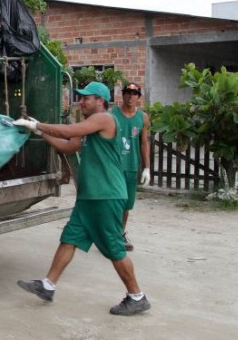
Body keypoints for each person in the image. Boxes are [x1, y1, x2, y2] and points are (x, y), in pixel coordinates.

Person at [12, 81, 151, 316]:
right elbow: (69, 146)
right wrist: (40, 132)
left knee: (114, 248)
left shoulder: (104, 119)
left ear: (100, 101)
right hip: (89, 196)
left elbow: (68, 131)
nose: (81, 102)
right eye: (81, 97)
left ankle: (137, 296)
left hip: (105, 195)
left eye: (87, 98)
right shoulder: (90, 126)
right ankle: (48, 285)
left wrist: (36, 124)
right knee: (70, 238)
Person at [112, 82, 150, 251]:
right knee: (115, 202)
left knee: (127, 204)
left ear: (138, 97)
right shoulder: (112, 114)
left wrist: (147, 168)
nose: (130, 96)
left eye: (134, 94)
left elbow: (144, 143)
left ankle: (120, 233)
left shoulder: (143, 117)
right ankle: (112, 234)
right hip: (114, 166)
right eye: (127, 92)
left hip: (131, 167)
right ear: (123, 94)